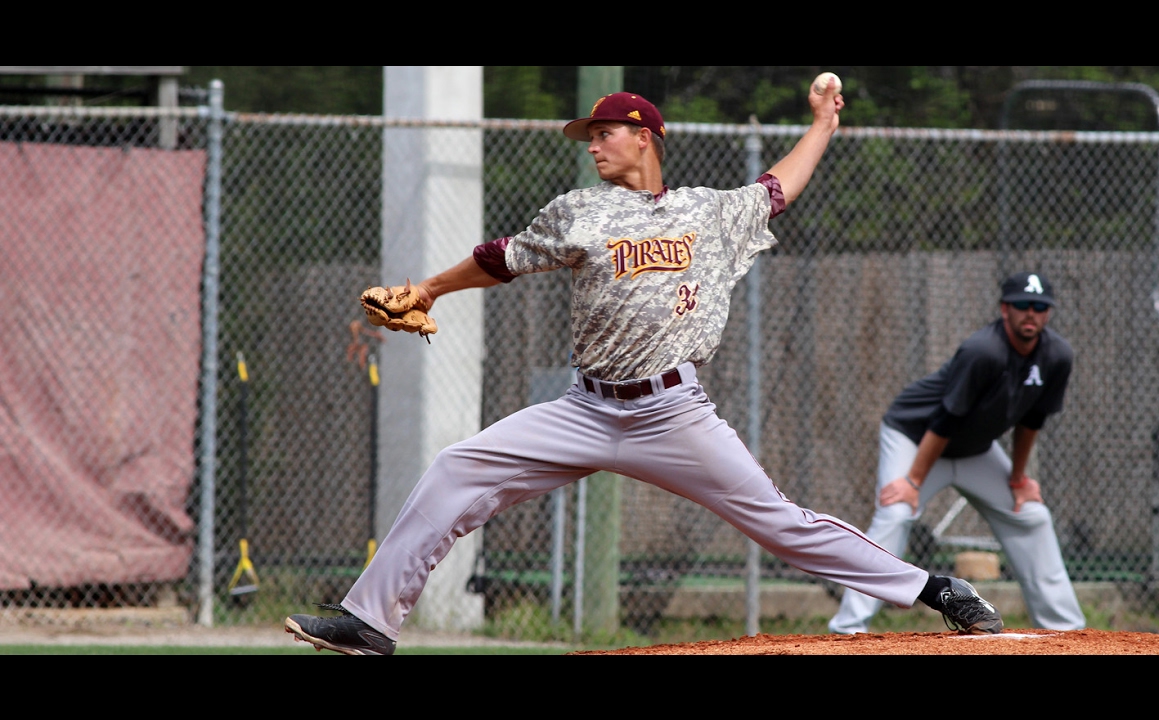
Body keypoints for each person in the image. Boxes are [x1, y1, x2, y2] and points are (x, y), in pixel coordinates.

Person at [284, 83, 1003, 655]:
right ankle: (371, 623)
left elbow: (779, 187)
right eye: (590, 136)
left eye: (604, 132)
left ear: (645, 137)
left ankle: (940, 592)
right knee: (455, 468)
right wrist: (430, 289)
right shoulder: (578, 213)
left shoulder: (709, 212)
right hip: (585, 409)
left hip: (673, 414)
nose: (593, 144)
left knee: (784, 526)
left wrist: (821, 125)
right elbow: (501, 258)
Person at [827, 271, 1086, 635]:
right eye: (1023, 305)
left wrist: (1018, 478)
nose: (1032, 313)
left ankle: (1068, 632)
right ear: (1004, 309)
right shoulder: (984, 350)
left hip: (974, 452)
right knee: (896, 513)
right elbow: (945, 419)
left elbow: (1032, 419)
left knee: (1032, 515)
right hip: (917, 438)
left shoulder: (1057, 355)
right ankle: (848, 629)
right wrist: (913, 481)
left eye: (1041, 307)